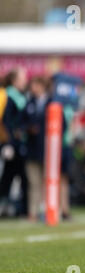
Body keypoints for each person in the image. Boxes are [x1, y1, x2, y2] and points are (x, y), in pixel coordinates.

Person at [0, 67, 29, 218]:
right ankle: (8, 207)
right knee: (8, 177)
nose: (25, 80)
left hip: (20, 144)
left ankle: (21, 208)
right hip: (12, 144)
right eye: (22, 77)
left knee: (20, 177)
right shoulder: (8, 96)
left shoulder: (21, 96)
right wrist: (8, 143)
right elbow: (6, 121)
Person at [23, 76, 51, 222]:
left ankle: (47, 210)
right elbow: (22, 122)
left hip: (48, 150)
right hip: (32, 149)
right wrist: (28, 128)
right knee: (34, 182)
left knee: (48, 182)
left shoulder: (52, 102)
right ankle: (32, 213)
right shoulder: (29, 103)